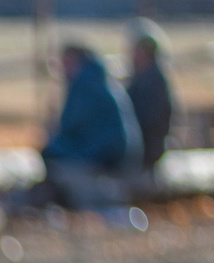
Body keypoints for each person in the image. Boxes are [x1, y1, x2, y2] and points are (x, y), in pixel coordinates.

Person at [12, 43, 143, 212]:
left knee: (52, 154)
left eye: (66, 63)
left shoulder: (84, 84)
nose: (62, 69)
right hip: (120, 152)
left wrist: (52, 145)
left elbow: (71, 126)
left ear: (76, 61)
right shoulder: (101, 79)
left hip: (107, 154)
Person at [128, 22, 174, 178]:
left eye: (136, 51)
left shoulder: (153, 81)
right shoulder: (142, 77)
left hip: (147, 152)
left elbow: (149, 120)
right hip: (142, 149)